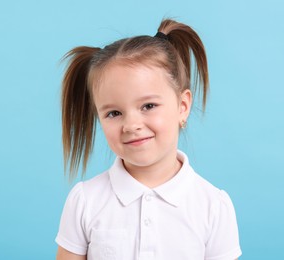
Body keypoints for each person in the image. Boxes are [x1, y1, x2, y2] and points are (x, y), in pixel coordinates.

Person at [55, 18, 242, 260]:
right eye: (114, 113)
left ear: (182, 106)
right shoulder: (85, 201)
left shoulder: (213, 206)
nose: (131, 125)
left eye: (148, 106)